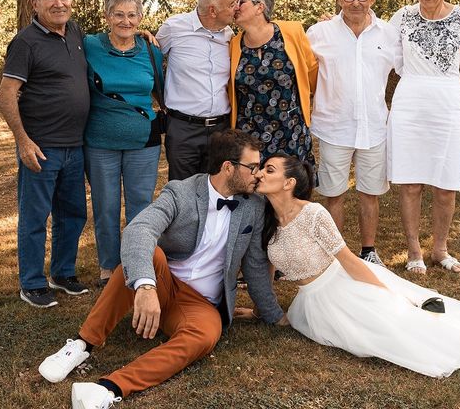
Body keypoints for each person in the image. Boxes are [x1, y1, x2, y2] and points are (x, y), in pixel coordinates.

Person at [38, 130, 286, 409]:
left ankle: (108, 388)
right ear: (228, 167)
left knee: (206, 336)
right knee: (149, 254)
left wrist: (274, 315)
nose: (258, 174)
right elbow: (139, 229)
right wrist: (145, 286)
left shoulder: (253, 206)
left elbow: (253, 267)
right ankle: (82, 345)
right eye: (252, 167)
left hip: (201, 305)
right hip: (163, 282)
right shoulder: (181, 192)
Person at [239, 154, 460, 378]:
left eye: (269, 169)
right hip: (311, 304)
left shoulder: (314, 214)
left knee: (394, 323)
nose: (260, 173)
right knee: (362, 342)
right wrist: (262, 310)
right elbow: (267, 272)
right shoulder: (266, 222)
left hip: (344, 284)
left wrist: (385, 292)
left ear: (289, 183)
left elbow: (349, 259)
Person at [0, 0, 89, 308]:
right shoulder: (25, 42)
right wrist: (23, 140)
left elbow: (113, 39)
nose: (58, 3)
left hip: (75, 146)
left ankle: (63, 274)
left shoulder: (76, 32)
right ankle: (32, 283)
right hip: (42, 146)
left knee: (73, 214)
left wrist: (138, 31)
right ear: (34, 3)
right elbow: (7, 94)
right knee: (36, 217)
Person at [387, 0, 460, 274]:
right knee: (410, 183)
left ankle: (440, 249)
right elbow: (383, 51)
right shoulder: (401, 16)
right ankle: (414, 252)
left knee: (446, 184)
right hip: (409, 102)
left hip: (449, 105)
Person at [306, 0, 402, 266]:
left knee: (369, 193)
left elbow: (411, 68)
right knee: (333, 194)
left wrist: (448, 80)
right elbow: (298, 68)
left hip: (375, 127)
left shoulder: (388, 34)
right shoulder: (319, 33)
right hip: (334, 126)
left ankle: (368, 251)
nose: (356, 2)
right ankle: (336, 255)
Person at [83, 0, 165, 285]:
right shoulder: (89, 44)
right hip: (99, 141)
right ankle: (108, 266)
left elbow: (160, 89)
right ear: (107, 16)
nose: (126, 21)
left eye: (132, 15)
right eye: (119, 14)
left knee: (141, 206)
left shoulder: (151, 50)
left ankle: (135, 264)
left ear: (140, 18)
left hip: (143, 141)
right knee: (105, 206)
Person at [228, 0, 318, 169]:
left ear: (260, 7)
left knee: (290, 188)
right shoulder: (233, 43)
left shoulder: (292, 32)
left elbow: (312, 72)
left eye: (241, 1)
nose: (235, 6)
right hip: (249, 134)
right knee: (252, 189)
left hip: (290, 129)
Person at [155, 0, 237, 181]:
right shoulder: (173, 28)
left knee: (218, 189)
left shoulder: (230, 35)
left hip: (221, 129)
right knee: (182, 192)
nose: (237, 8)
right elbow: (150, 61)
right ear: (213, 10)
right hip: (183, 129)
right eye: (232, 4)